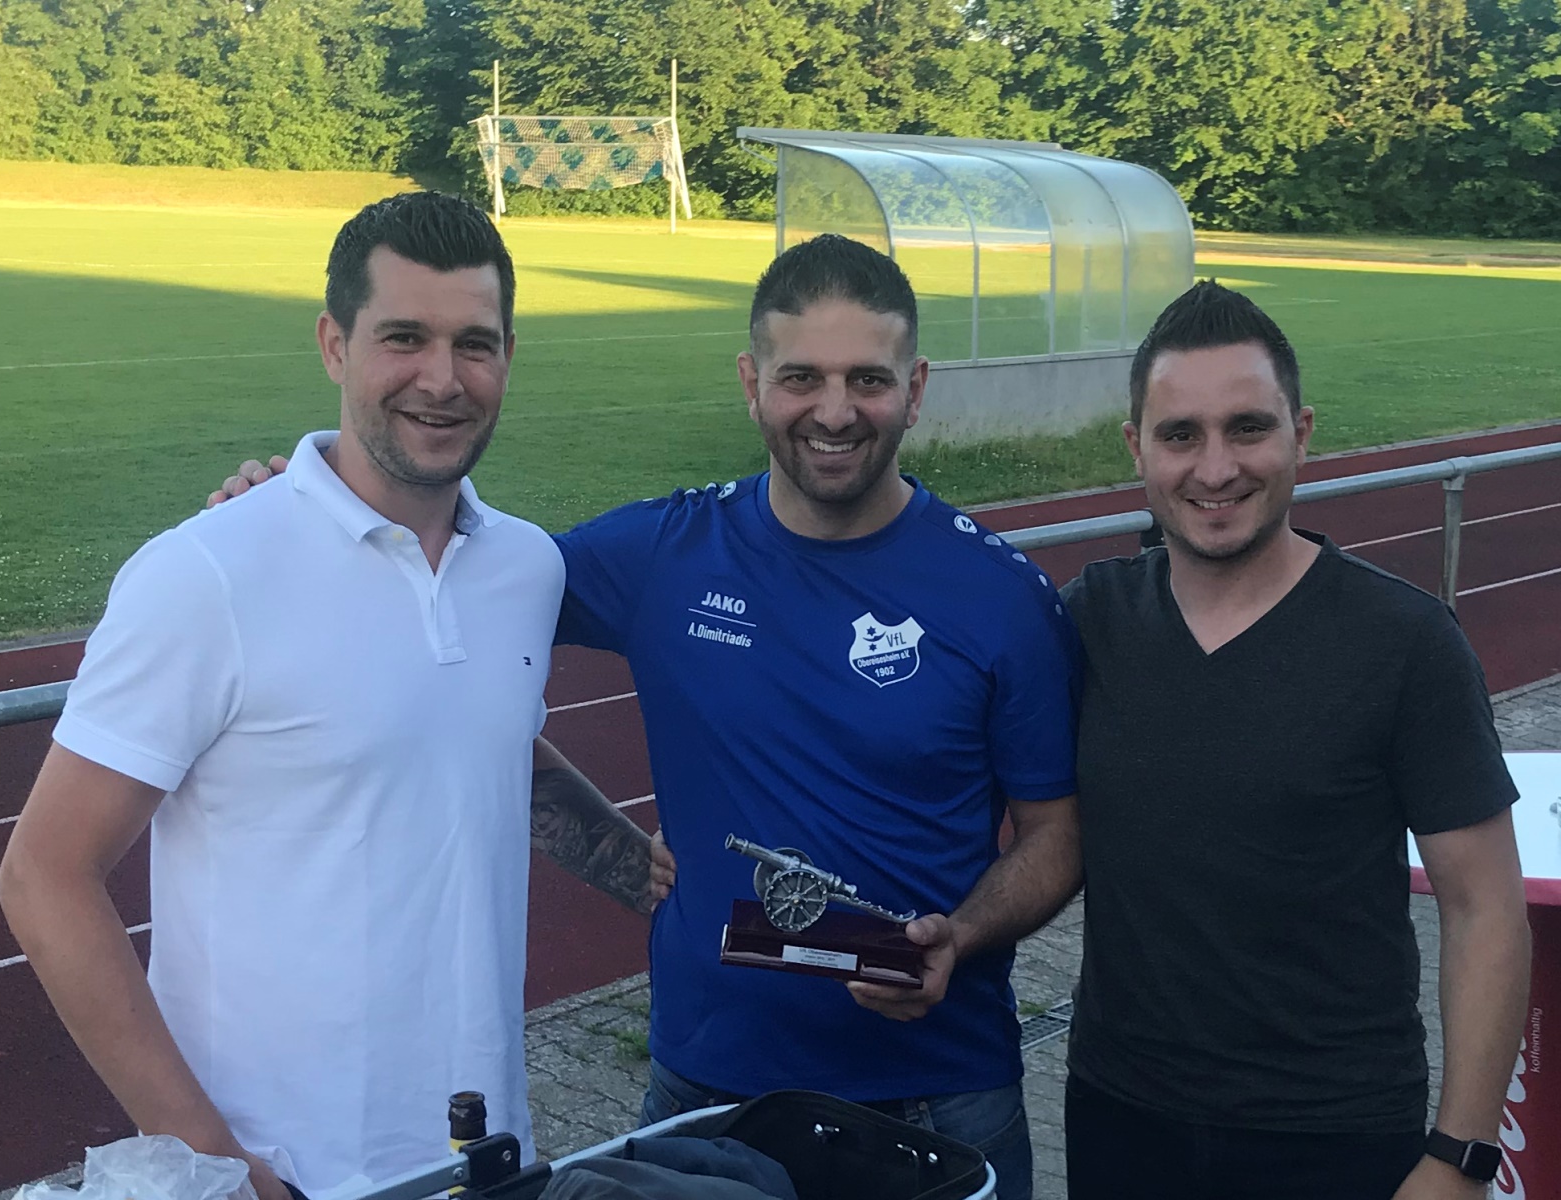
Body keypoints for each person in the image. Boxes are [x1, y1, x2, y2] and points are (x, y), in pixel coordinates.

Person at [216, 234, 1083, 1200]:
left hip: (937, 1102)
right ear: (752, 383)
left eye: (868, 380)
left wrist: (961, 936)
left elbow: (1056, 836)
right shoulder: (664, 554)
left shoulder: (1001, 596)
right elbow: (438, 590)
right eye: (801, 377)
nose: (835, 412)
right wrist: (298, 518)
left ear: (915, 388)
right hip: (703, 1091)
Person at [0, 192, 655, 1200]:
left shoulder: (524, 568)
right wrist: (215, 1162)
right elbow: (42, 875)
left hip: (486, 1151)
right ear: (334, 345)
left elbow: (482, 749)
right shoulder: (206, 575)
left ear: (509, 356)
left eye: (474, 344)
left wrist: (668, 884)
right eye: (404, 337)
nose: (442, 379)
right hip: (283, 1168)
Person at [1059, 281, 1531, 1199]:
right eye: (1180, 435)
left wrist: (1462, 1155)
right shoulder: (1089, 621)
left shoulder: (1405, 643)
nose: (1215, 468)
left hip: (1335, 1133)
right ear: (1136, 448)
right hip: (1121, 1117)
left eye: (1248, 429)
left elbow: (1484, 908)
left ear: (1301, 433)